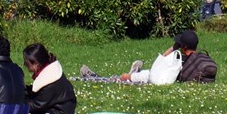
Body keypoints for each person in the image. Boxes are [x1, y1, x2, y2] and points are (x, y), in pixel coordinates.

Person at [79, 29, 217, 84]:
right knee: (131, 76)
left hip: (152, 77)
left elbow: (161, 61)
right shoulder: (195, 59)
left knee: (123, 77)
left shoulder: (179, 60)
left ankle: (94, 78)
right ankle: (134, 72)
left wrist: (173, 48)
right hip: (157, 76)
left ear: (184, 47)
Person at [23, 43, 76, 114]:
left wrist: (19, 101)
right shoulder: (51, 73)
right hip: (64, 109)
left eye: (27, 63)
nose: (24, 64)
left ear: (35, 63)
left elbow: (37, 105)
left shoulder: (49, 82)